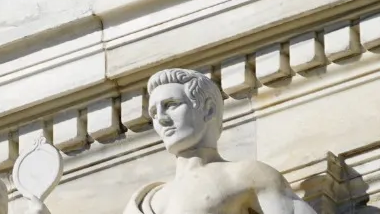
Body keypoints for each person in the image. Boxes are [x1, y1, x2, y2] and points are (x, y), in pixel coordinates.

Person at [122, 69, 317, 214]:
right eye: (154, 113)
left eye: (171, 105)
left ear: (208, 109)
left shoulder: (246, 175)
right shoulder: (146, 199)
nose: (161, 119)